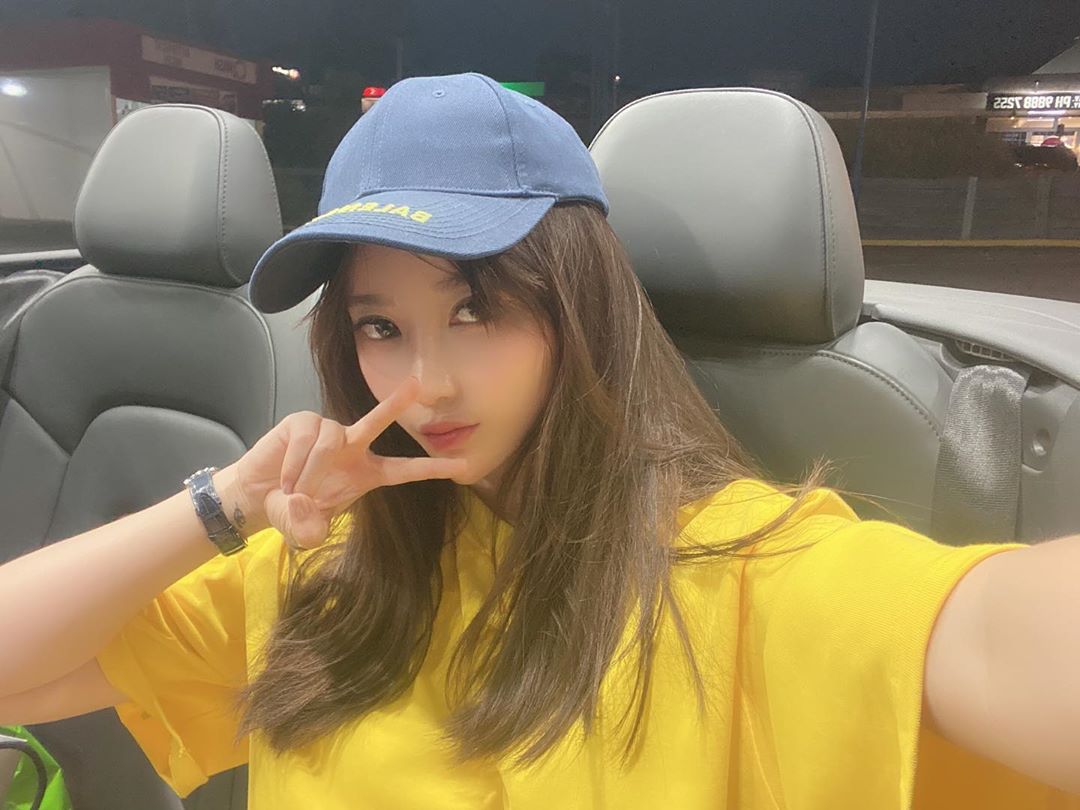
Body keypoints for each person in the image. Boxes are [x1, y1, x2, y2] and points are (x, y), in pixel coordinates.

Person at [0, 72, 1078, 809]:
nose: (424, 382)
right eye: (381, 326)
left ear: (581, 310)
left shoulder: (742, 573)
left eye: (476, 309)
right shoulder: (326, 563)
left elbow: (1003, 641)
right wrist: (224, 504)